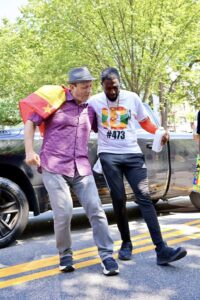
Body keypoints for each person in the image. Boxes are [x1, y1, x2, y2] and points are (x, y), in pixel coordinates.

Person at [23, 67, 119, 276]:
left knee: (96, 210)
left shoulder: (90, 109)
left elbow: (107, 128)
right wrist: (29, 151)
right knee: (64, 212)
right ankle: (65, 254)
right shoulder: (55, 103)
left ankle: (107, 255)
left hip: (81, 167)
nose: (88, 90)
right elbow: (31, 121)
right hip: (54, 166)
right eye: (84, 87)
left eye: (90, 86)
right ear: (72, 87)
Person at [88, 67, 187, 265]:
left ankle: (161, 249)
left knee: (144, 198)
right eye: (108, 89)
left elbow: (144, 122)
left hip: (132, 155)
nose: (112, 92)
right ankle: (126, 243)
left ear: (119, 84)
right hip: (109, 155)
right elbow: (91, 126)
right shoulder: (94, 102)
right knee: (118, 198)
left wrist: (159, 131)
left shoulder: (132, 98)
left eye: (115, 87)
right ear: (102, 86)